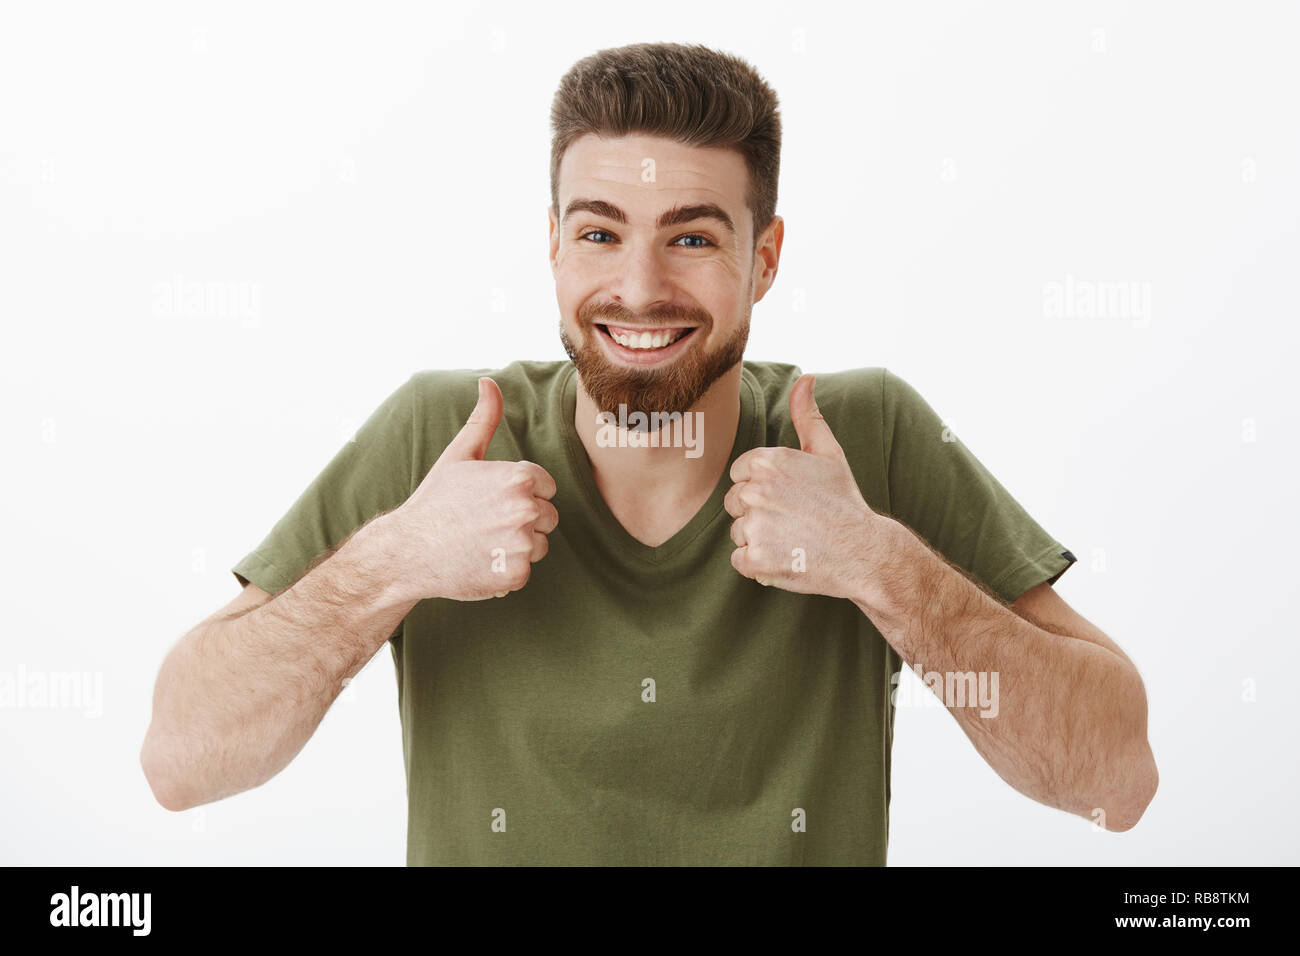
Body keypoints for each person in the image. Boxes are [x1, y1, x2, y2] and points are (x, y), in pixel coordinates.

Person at [140, 41, 1157, 865]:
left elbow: (1116, 779)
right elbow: (180, 761)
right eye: (597, 233)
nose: (638, 287)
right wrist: (391, 562)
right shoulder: (448, 434)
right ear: (550, 245)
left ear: (763, 259)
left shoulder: (863, 437)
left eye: (693, 238)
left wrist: (878, 562)